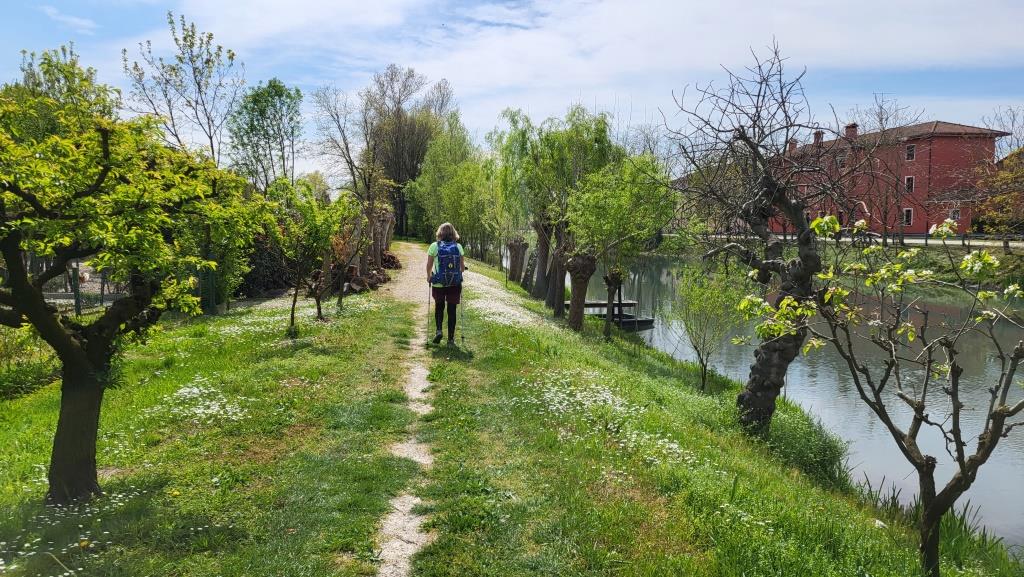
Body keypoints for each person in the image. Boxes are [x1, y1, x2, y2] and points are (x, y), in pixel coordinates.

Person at [426, 222, 465, 345]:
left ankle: (439, 331)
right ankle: (451, 339)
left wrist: (429, 276)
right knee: (452, 309)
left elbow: (429, 265)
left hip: (439, 283)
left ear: (440, 233)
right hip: (454, 283)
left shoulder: (434, 246)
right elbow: (462, 268)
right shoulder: (458, 247)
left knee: (439, 306)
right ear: (453, 233)